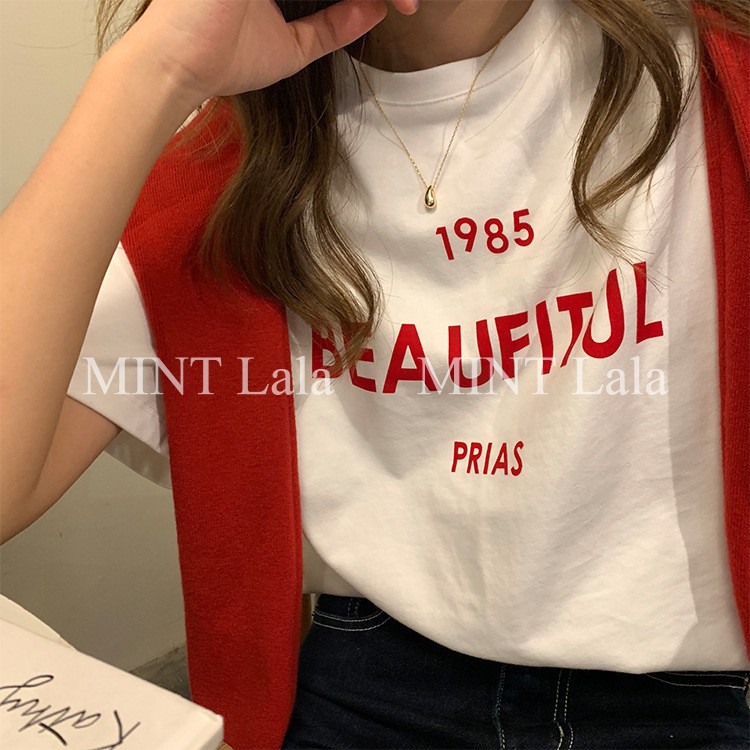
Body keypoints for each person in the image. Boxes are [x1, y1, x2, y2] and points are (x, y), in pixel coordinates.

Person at [1, 0, 749, 748]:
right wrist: (152, 72)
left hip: (702, 692)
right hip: (371, 677)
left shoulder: (718, 76)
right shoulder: (230, 171)